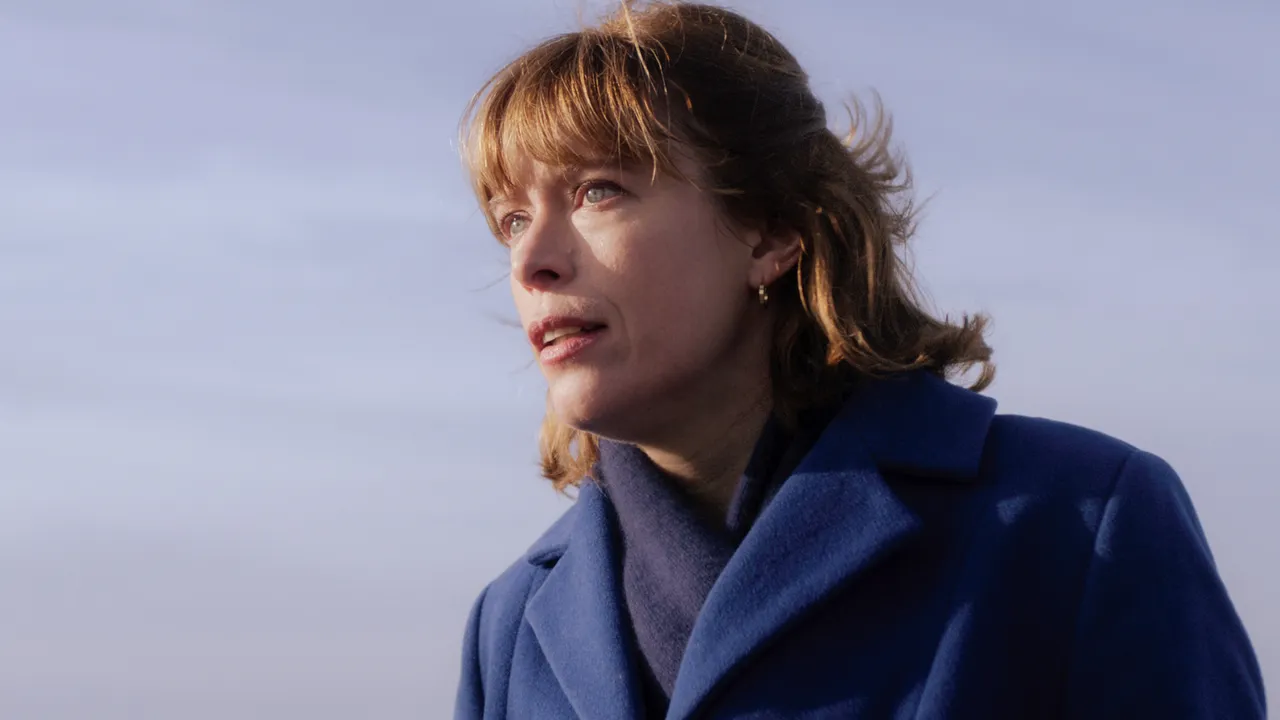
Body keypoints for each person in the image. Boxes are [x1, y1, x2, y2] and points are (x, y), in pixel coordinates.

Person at [451, 2, 1266, 718]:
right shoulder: (511, 626)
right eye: (512, 219)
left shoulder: (1079, 523)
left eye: (597, 190)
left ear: (771, 232)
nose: (531, 262)